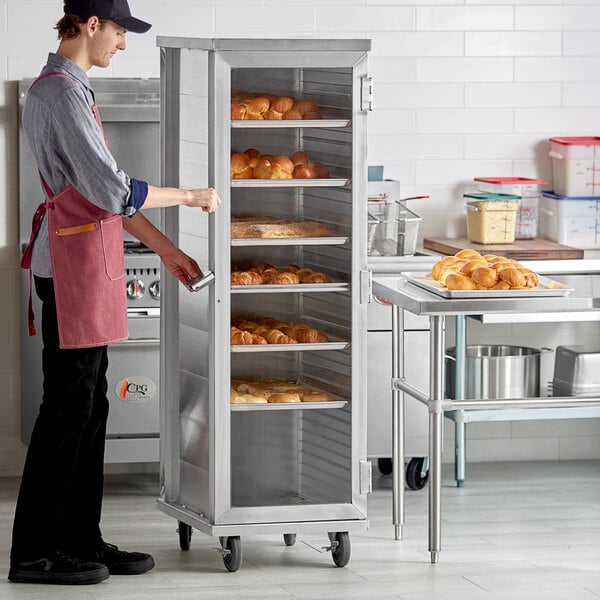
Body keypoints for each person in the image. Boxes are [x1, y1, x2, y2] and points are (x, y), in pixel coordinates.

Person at [9, 0, 221, 586]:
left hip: (87, 262)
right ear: (92, 23)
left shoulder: (73, 88)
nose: (124, 45)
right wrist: (190, 196)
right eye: (122, 32)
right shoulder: (57, 92)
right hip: (73, 269)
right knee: (66, 411)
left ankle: (80, 539)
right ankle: (32, 553)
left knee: (91, 406)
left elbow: (111, 196)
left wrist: (170, 252)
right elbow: (110, 189)